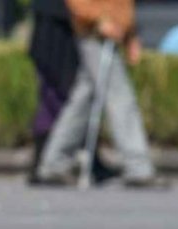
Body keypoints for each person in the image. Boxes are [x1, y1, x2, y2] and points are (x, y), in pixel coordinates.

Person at [36, 0, 169, 188]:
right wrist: (98, 21)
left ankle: (53, 163)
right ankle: (138, 168)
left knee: (83, 100)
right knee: (120, 98)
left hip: (105, 34)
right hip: (95, 34)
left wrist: (130, 34)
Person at [27, 0, 118, 185]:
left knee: (70, 94)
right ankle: (46, 161)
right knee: (59, 94)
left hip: (63, 21)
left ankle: (56, 161)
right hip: (58, 25)